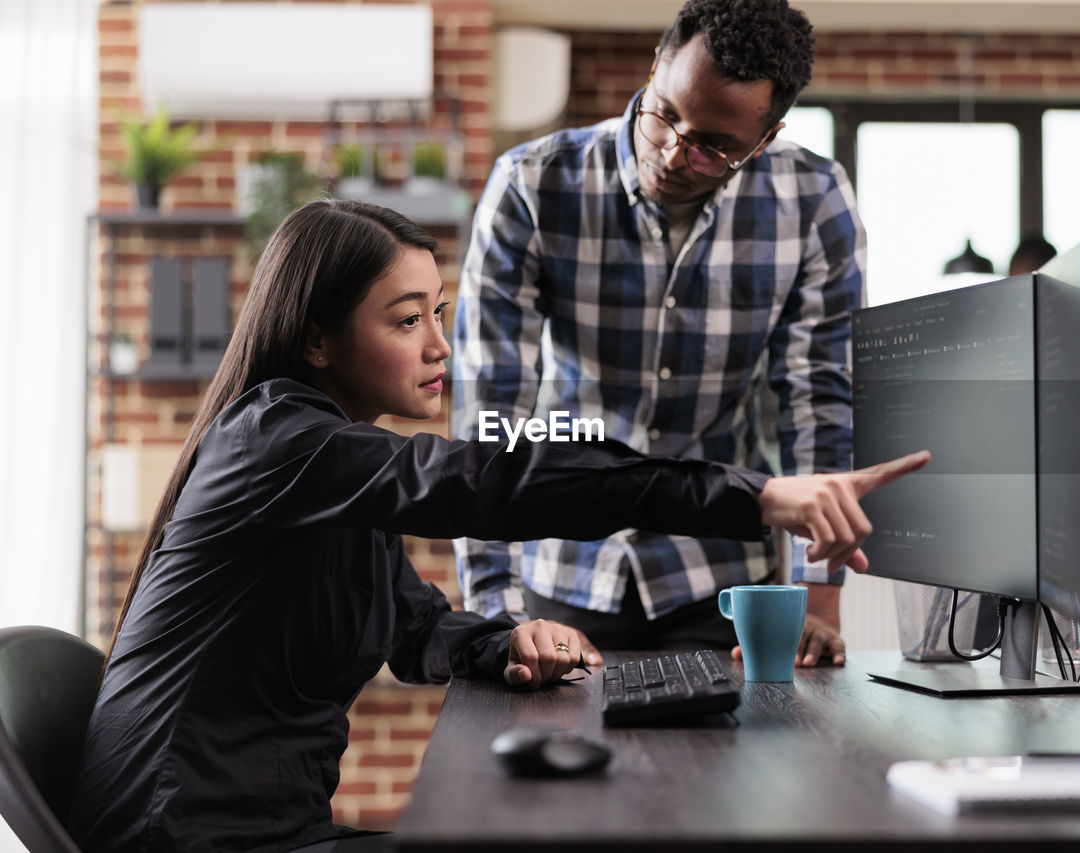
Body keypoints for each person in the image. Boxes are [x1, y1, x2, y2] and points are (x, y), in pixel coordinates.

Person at [66, 199, 926, 853]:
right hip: (182, 837)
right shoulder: (274, 440)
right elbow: (489, 480)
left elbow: (413, 623)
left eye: (438, 312)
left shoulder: (333, 462)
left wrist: (503, 642)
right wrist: (756, 495)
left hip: (262, 828)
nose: (441, 346)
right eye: (407, 321)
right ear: (318, 339)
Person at [452, 0, 865, 671]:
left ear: (764, 139)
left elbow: (818, 404)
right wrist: (499, 612)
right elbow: (492, 413)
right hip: (562, 569)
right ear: (655, 67)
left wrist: (816, 602)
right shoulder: (532, 185)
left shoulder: (813, 200)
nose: (674, 153)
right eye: (665, 113)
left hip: (725, 579)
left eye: (713, 146)